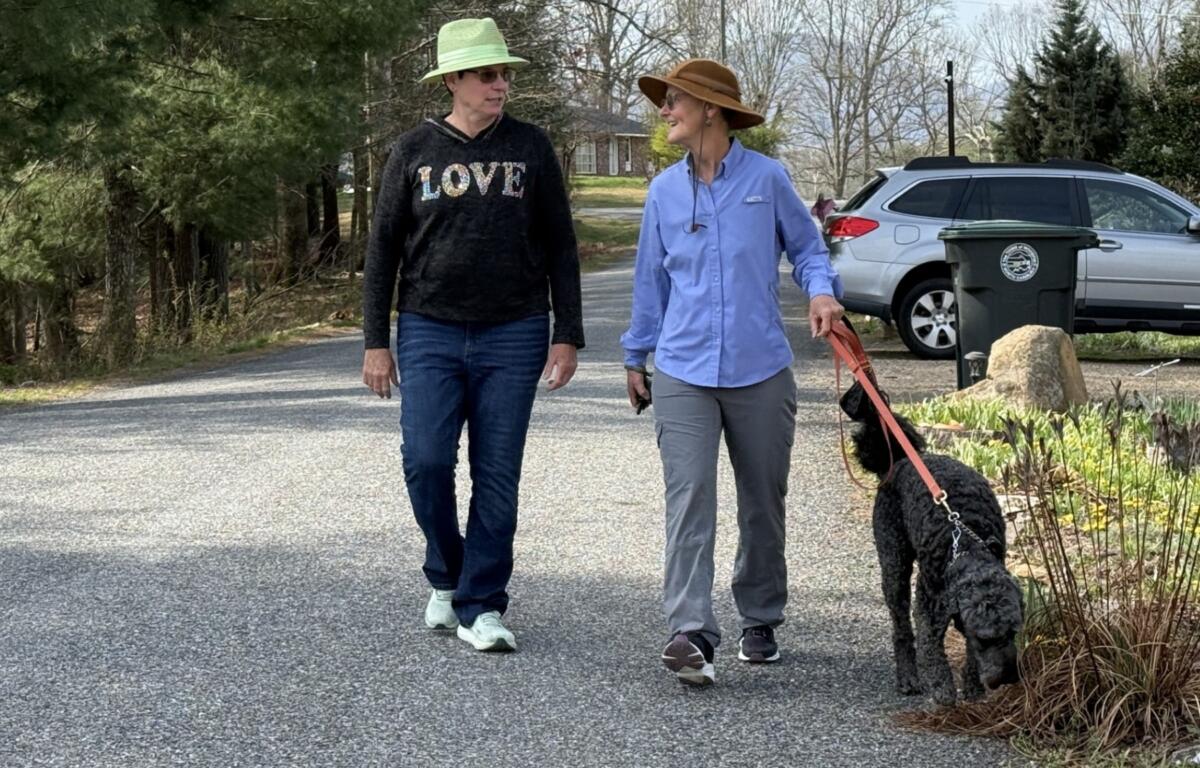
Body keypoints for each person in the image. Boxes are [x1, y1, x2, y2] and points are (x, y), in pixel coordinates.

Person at [361, 17, 584, 653]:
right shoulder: (413, 151)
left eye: (505, 74)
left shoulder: (532, 147)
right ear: (454, 80)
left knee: (497, 473)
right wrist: (377, 339)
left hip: (514, 331)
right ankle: (448, 576)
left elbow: (562, 247)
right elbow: (381, 252)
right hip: (429, 328)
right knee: (426, 460)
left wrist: (566, 331)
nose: (500, 84)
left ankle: (481, 603)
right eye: (487, 74)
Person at [620, 59, 844, 686]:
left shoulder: (767, 179)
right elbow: (650, 282)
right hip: (683, 368)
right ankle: (691, 632)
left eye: (674, 102)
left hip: (760, 367)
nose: (664, 112)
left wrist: (823, 293)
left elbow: (807, 248)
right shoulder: (664, 191)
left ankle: (761, 616)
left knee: (762, 503)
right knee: (688, 497)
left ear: (710, 110)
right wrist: (636, 355)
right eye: (664, 102)